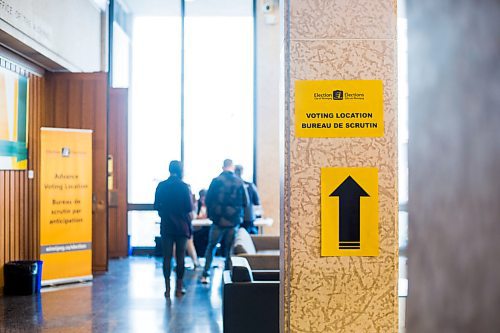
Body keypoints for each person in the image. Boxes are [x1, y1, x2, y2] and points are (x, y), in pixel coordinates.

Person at [200, 159, 249, 284]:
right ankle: (227, 277)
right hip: (233, 221)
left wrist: (212, 215)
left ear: (223, 167)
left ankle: (205, 274)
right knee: (229, 250)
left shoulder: (216, 181)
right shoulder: (239, 182)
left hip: (218, 221)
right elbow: (246, 202)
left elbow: (208, 200)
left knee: (211, 247)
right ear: (232, 167)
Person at [154, 160, 193, 297]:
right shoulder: (184, 187)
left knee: (166, 257)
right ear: (181, 170)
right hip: (181, 227)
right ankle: (179, 287)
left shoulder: (162, 185)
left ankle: (167, 288)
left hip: (166, 226)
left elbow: (156, 206)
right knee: (180, 257)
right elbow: (189, 208)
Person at [234, 165, 261, 234]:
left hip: (235, 217)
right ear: (242, 172)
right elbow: (257, 202)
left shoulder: (231, 187)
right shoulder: (250, 185)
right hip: (248, 217)